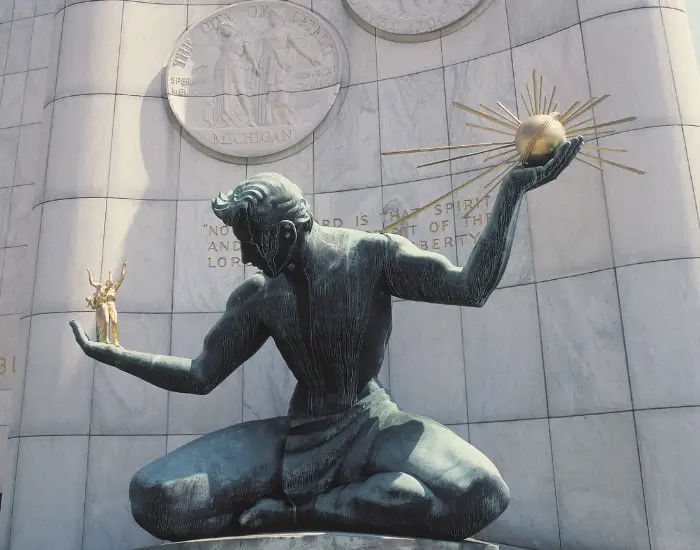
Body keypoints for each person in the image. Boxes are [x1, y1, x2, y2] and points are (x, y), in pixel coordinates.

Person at [70, 138, 582, 542]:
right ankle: (345, 500)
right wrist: (116, 356)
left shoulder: (372, 257)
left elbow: (471, 288)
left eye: (249, 241)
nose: (246, 255)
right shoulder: (260, 295)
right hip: (297, 436)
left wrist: (511, 193)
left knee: (482, 494)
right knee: (154, 499)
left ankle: (299, 509)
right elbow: (200, 375)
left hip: (374, 425)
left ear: (287, 235)